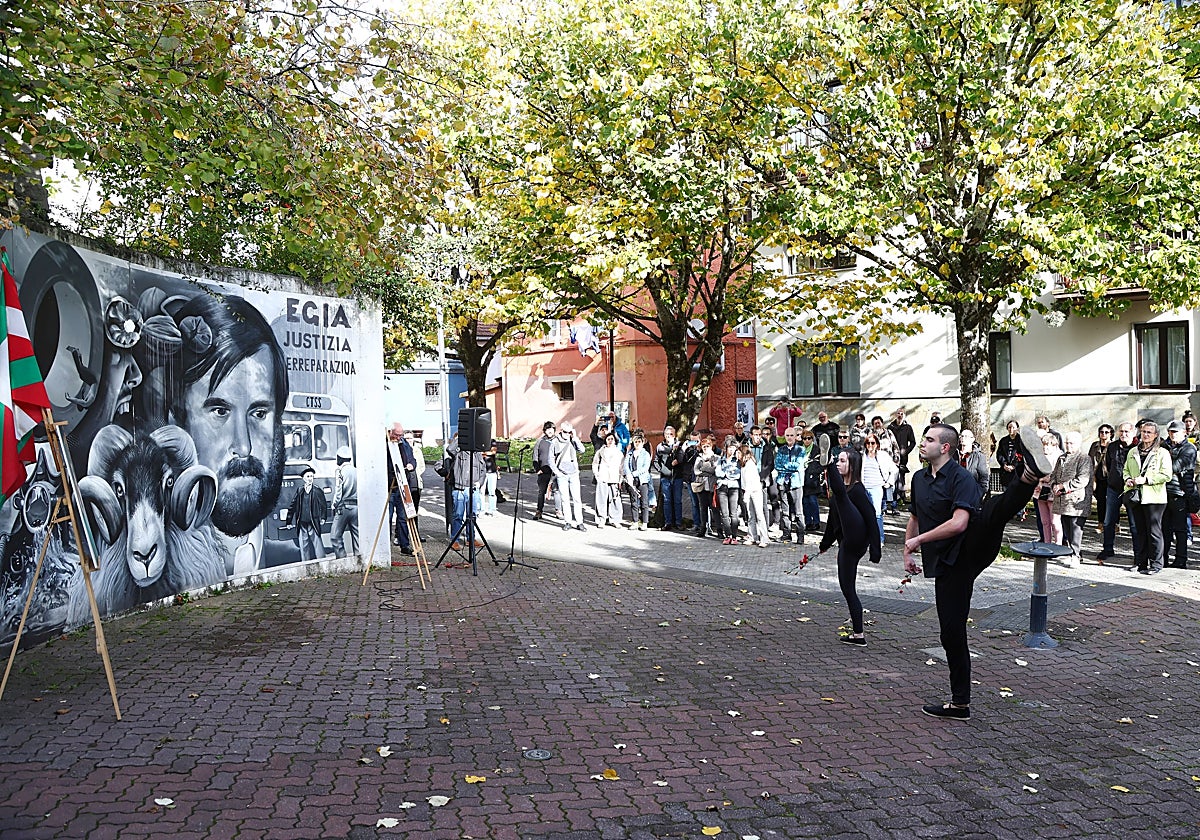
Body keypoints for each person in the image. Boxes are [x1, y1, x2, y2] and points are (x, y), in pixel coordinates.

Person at [904, 423, 1052, 720]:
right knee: (950, 631)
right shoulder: (919, 479)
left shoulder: (962, 478)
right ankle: (960, 704)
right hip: (946, 563)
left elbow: (959, 523)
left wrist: (918, 541)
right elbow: (916, 516)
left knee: (992, 513)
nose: (923, 443)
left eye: (929, 439)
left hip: (972, 546)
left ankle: (1029, 475)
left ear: (945, 447)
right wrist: (908, 550)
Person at [169, 292, 289, 572]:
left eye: (259, 414)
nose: (243, 446)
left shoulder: (285, 556)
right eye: (220, 412)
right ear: (177, 421)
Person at [819, 449, 881, 645]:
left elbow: (872, 518)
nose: (839, 464)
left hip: (856, 540)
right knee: (847, 588)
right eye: (836, 461)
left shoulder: (857, 490)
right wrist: (825, 544)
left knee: (841, 496)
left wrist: (875, 547)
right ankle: (856, 628)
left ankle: (858, 634)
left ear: (852, 466)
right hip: (846, 540)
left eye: (842, 461)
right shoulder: (840, 493)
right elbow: (832, 522)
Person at [1123, 420, 1171, 575]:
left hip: (1155, 498)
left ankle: (1157, 564)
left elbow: (1166, 475)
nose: (1145, 435)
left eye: (1149, 432)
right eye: (1143, 431)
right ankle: (1141, 562)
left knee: (1154, 531)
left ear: (1156, 435)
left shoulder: (1162, 452)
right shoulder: (1133, 452)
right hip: (1137, 496)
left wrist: (1147, 480)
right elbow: (1125, 470)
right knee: (1139, 531)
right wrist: (1128, 479)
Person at [1098, 422, 1139, 562]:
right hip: (1114, 488)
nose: (1124, 434)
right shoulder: (1113, 446)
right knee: (1108, 521)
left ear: (1133, 433)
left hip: (1132, 489)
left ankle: (1138, 554)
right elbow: (1109, 465)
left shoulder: (1137, 447)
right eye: (1121, 431)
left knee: (1134, 524)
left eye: (1127, 431)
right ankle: (1107, 549)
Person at [1051, 431, 1093, 566]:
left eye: (1071, 443)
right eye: (1067, 442)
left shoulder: (1084, 458)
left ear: (1079, 444)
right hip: (1062, 500)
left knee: (1075, 529)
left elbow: (1083, 479)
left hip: (1076, 501)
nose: (1068, 445)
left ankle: (1075, 555)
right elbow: (1054, 475)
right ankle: (1073, 553)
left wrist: (1063, 486)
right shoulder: (1061, 458)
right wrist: (1054, 486)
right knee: (1067, 528)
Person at [1162, 420, 1196, 570]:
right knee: (1164, 528)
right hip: (1162, 492)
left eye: (1175, 432)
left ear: (1184, 433)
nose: (1172, 434)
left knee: (1180, 530)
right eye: (1170, 431)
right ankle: (1162, 558)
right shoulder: (1164, 446)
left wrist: (1164, 463)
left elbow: (1175, 467)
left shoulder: (1189, 448)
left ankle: (1181, 560)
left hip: (1180, 493)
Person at [445, 434, 486, 550]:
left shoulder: (477, 453)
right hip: (460, 489)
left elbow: (483, 469)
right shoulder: (458, 452)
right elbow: (450, 449)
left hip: (473, 489)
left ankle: (470, 538)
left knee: (472, 515)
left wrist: (480, 482)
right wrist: (460, 437)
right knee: (458, 515)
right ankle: (455, 539)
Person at [860, 433, 898, 544]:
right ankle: (866, 539)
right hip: (864, 488)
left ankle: (879, 539)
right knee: (864, 515)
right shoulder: (862, 456)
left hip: (877, 488)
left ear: (877, 444)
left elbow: (894, 469)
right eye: (868, 443)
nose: (870, 445)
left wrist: (889, 482)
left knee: (876, 514)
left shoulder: (882, 455)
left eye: (873, 443)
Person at [284, 465, 327, 562]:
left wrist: (323, 517)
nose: (310, 479)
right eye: (308, 477)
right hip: (302, 521)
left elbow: (323, 505)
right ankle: (305, 564)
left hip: (313, 521)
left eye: (311, 476)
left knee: (317, 543)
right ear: (303, 478)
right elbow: (293, 506)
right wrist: (288, 521)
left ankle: (323, 562)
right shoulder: (300, 491)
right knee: (304, 545)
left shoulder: (317, 490)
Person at [550, 422, 587, 531]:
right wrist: (557, 472)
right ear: (561, 431)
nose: (567, 434)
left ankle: (580, 522)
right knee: (565, 499)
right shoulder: (555, 442)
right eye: (565, 432)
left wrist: (575, 437)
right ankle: (568, 522)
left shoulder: (572, 440)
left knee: (577, 499)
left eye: (569, 432)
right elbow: (550, 459)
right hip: (562, 474)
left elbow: (582, 450)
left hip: (573, 473)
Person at [773, 426, 807, 543]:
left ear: (796, 437)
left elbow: (798, 465)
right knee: (785, 510)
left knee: (798, 511)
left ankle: (800, 535)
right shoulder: (781, 449)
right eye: (787, 435)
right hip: (783, 482)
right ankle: (786, 534)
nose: (789, 438)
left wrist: (785, 466)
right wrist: (788, 466)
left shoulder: (801, 450)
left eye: (791, 435)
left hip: (796, 483)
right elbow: (777, 464)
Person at [329, 446, 358, 558]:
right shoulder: (356, 471)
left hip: (344, 508)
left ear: (340, 458)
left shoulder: (340, 471)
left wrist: (334, 505)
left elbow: (338, 492)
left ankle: (342, 558)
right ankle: (358, 559)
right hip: (356, 508)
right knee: (357, 536)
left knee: (335, 536)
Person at [654, 426, 685, 531]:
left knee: (677, 501)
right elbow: (655, 461)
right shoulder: (660, 447)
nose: (668, 436)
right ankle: (668, 522)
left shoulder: (679, 445)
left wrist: (677, 460)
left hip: (677, 477)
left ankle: (678, 522)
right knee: (667, 500)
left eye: (671, 434)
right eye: (667, 434)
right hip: (665, 477)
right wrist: (661, 470)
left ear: (674, 435)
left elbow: (683, 459)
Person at [1035, 434, 1063, 545]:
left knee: (1055, 522)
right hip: (1040, 491)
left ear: (1054, 445)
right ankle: (1047, 543)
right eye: (1044, 445)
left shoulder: (1059, 458)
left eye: (1048, 445)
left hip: (1053, 492)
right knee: (1045, 521)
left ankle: (1058, 545)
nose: (1045, 448)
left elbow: (1056, 476)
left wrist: (1044, 478)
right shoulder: (1039, 458)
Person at [739, 444, 769, 547]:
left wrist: (746, 495)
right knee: (750, 515)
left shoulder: (750, 464)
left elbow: (750, 481)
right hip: (748, 491)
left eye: (739, 452)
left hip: (755, 491)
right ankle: (752, 536)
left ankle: (764, 538)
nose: (737, 455)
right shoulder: (744, 464)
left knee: (759, 515)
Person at [592, 433, 625, 527]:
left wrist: (620, 478)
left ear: (615, 441)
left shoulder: (618, 453)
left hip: (614, 478)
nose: (610, 441)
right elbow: (595, 463)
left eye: (612, 439)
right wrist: (597, 474)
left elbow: (621, 467)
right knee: (601, 499)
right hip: (603, 477)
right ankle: (601, 519)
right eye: (608, 439)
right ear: (605, 440)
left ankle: (615, 519)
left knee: (615, 499)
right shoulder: (601, 451)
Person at [691, 436, 720, 538]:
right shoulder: (699, 458)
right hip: (701, 486)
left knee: (714, 509)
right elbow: (696, 471)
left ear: (711, 446)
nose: (705, 448)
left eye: (707, 446)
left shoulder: (716, 457)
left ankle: (719, 531)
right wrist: (708, 470)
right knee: (703, 508)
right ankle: (703, 529)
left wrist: (704, 469)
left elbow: (714, 471)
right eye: (703, 446)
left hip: (712, 487)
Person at [715, 439, 743, 544]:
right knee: (724, 513)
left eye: (733, 447)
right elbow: (717, 472)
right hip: (722, 487)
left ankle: (735, 536)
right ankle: (728, 535)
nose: (731, 450)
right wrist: (728, 473)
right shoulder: (720, 460)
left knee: (733, 513)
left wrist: (726, 473)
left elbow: (737, 474)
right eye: (729, 447)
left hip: (734, 487)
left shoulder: (737, 461)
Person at [888, 408, 917, 506]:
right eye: (898, 414)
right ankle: (892, 499)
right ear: (895, 415)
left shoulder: (908, 428)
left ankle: (901, 498)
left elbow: (913, 442)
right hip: (892, 457)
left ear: (904, 415)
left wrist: (906, 451)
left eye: (902, 414)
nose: (900, 415)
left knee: (901, 477)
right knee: (892, 477)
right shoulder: (890, 427)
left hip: (903, 458)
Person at [623, 435, 652, 530]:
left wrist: (634, 473)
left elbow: (645, 467)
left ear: (643, 443)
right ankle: (635, 521)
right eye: (636, 442)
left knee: (644, 502)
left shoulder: (645, 454)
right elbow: (626, 465)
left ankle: (644, 522)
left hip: (642, 480)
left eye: (639, 441)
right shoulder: (630, 454)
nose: (637, 443)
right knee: (633, 502)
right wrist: (629, 475)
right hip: (632, 481)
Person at [1088, 424, 1113, 528]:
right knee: (1100, 501)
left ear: (1111, 434)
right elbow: (1089, 460)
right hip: (1098, 477)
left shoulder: (1113, 445)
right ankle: (1101, 523)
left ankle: (1114, 523)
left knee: (1112, 502)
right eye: (1101, 432)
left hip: (1110, 477)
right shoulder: (1094, 446)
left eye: (1106, 432)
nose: (1103, 434)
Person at [532, 421, 557, 521]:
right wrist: (537, 469)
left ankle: (558, 510)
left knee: (557, 492)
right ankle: (539, 511)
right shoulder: (540, 441)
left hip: (555, 471)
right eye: (547, 429)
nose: (550, 431)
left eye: (551, 429)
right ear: (544, 430)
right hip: (543, 471)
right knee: (541, 491)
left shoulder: (557, 441)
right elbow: (535, 456)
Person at [958, 429, 990, 498]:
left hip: (971, 495)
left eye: (966, 436)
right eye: (962, 436)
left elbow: (984, 478)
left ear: (972, 439)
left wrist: (979, 494)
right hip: (955, 493)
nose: (963, 438)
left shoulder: (979, 457)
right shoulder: (954, 454)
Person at [995, 420, 1023, 489]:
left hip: (1017, 472)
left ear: (1017, 428)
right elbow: (999, 454)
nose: (1011, 429)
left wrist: (1014, 465)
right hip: (1005, 472)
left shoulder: (1021, 440)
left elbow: (1022, 455)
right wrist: (1004, 464)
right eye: (1009, 427)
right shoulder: (1003, 440)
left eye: (1013, 427)